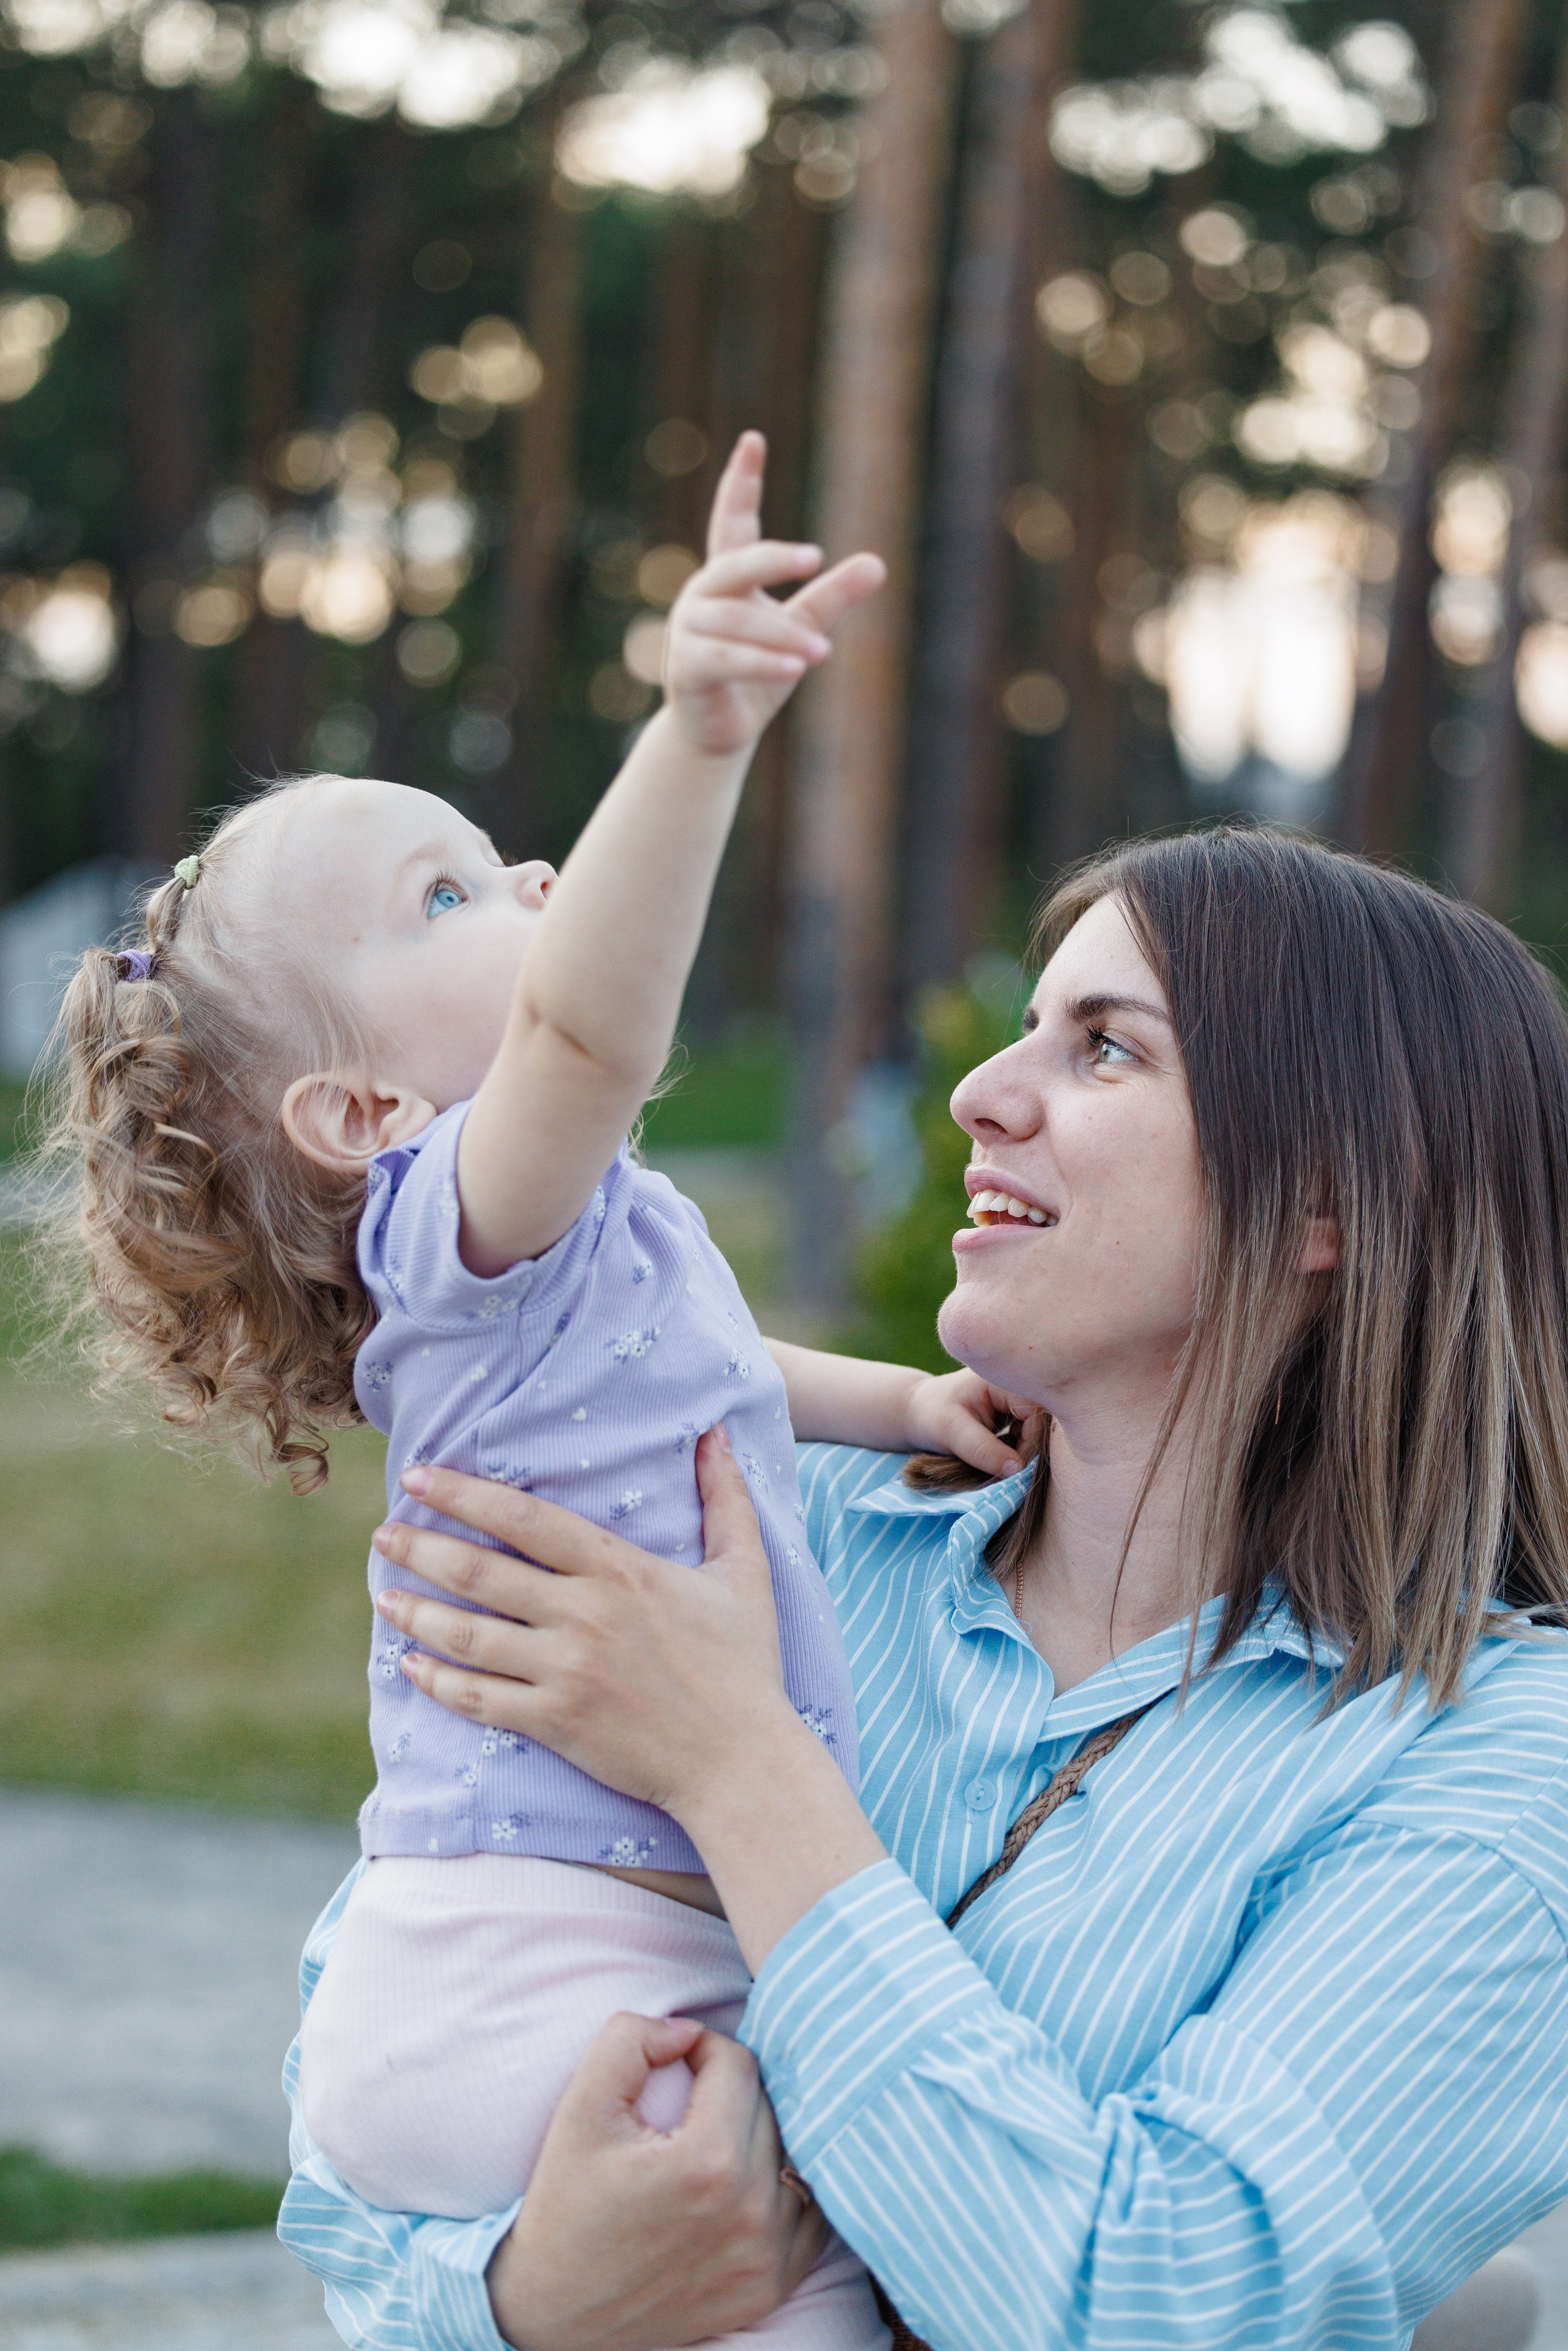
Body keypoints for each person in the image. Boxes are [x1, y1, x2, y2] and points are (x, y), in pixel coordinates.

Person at [281, 828, 1568, 2351]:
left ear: (1331, 1200)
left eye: (1103, 1049)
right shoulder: (768, 1523)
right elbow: (366, 2099)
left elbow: (1159, 2304)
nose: (978, 1092)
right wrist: (526, 2298)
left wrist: (735, 1761)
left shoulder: (1493, 1758)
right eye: (1029, 1024)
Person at [50, 436, 1018, 2348]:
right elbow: (589, 1018)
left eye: (503, 863)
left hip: (510, 1958)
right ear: (366, 1117)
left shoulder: (557, 1266)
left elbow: (714, 1372)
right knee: (865, 2282)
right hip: (562, 1955)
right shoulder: (463, 1213)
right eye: (447, 898)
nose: (536, 884)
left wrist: (902, 1405)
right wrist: (701, 733)